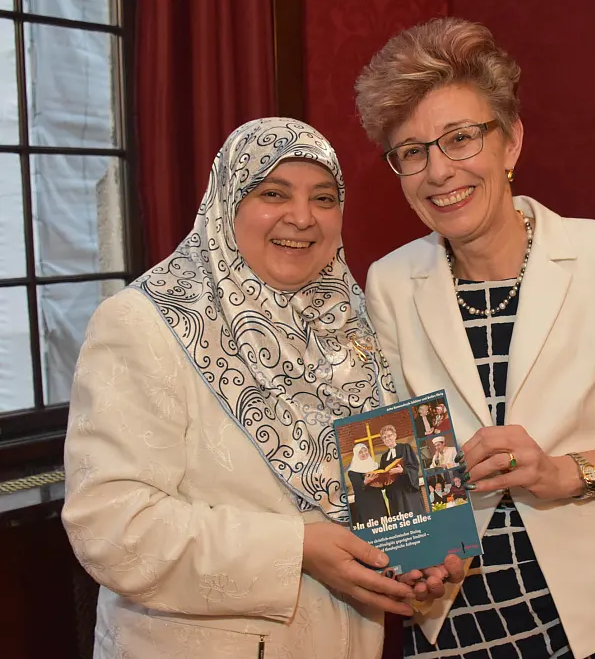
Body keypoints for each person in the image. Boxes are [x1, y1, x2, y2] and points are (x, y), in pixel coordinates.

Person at [355, 19, 595, 659]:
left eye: (461, 139)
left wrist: (564, 473)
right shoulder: (388, 281)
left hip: (594, 617)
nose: (439, 171)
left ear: (511, 142)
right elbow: (394, 474)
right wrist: (415, 554)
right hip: (451, 614)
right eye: (412, 152)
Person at [61, 118, 461, 659]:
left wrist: (422, 559)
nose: (302, 217)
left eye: (324, 198)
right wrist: (296, 547)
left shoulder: (350, 319)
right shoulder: (142, 322)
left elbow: (389, 490)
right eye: (273, 193)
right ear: (227, 203)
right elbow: (111, 526)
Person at [379, 424, 427, 517]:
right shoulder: (384, 457)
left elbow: (414, 466)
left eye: (389, 435)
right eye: (384, 437)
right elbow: (383, 474)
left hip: (407, 490)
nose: (387, 439)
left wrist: (402, 470)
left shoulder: (405, 448)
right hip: (394, 494)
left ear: (395, 436)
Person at [348, 443, 390, 523]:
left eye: (365, 451)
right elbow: (357, 488)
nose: (364, 453)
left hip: (377, 500)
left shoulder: (374, 466)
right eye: (360, 452)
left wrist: (381, 484)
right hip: (365, 502)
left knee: (383, 523)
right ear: (356, 454)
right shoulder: (353, 471)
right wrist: (366, 481)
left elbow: (382, 482)